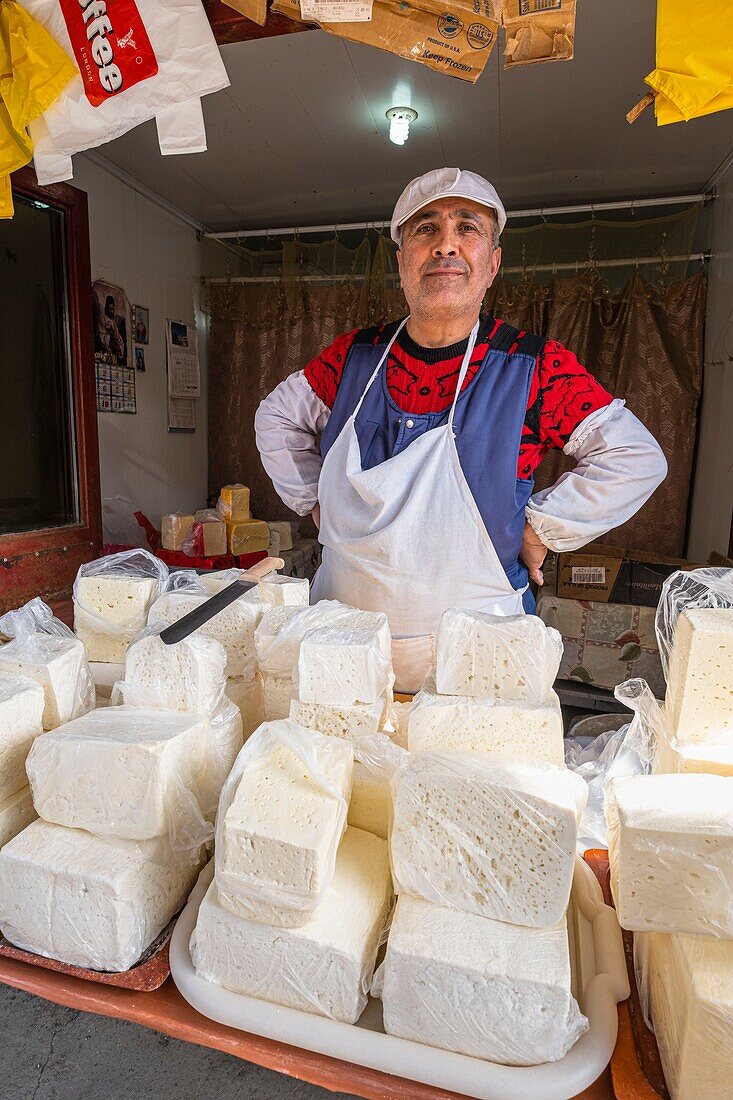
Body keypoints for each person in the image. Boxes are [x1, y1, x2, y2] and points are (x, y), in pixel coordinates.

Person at [255, 168, 667, 692]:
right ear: (401, 260)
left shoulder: (534, 367)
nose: (446, 245)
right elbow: (276, 418)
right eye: (425, 229)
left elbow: (635, 457)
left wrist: (543, 527)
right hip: (342, 650)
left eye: (467, 228)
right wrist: (312, 499)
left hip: (477, 659)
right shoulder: (352, 357)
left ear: (492, 262)